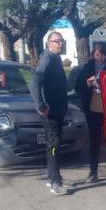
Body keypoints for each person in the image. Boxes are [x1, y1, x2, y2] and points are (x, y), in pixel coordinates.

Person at [74, 42, 106, 183]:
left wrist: (103, 84)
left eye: (103, 54)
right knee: (94, 141)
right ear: (93, 55)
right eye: (97, 54)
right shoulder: (88, 67)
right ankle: (93, 172)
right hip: (93, 110)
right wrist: (88, 84)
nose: (100, 57)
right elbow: (78, 87)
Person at [30, 31, 70, 195]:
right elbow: (34, 83)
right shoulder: (47, 58)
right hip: (50, 111)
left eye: (62, 41)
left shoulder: (56, 59)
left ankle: (52, 176)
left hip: (58, 109)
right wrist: (41, 106)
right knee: (54, 145)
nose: (60, 43)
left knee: (52, 144)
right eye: (57, 41)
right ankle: (55, 181)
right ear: (49, 43)